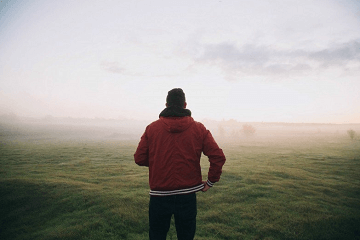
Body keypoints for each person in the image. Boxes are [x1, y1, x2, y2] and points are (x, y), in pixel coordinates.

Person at [134, 88, 226, 240]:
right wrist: (210, 182)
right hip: (187, 196)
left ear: (166, 104)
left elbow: (139, 158)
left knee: (157, 236)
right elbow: (218, 156)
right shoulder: (199, 128)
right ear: (184, 104)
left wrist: (159, 162)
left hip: (159, 196)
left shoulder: (152, 128)